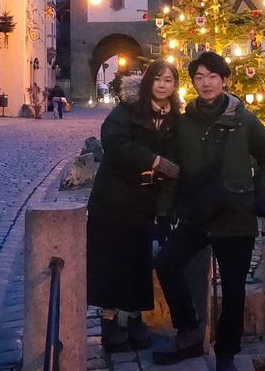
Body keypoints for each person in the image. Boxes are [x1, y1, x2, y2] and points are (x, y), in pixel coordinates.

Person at [153, 52, 265, 371]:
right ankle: (189, 332)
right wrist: (165, 212)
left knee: (234, 288)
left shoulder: (244, 118)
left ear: (224, 80)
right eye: (198, 77)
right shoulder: (185, 121)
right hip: (197, 214)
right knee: (167, 263)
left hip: (236, 215)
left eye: (212, 76)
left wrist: (264, 195)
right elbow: (175, 169)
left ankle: (226, 353)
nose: (205, 83)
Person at [87, 61, 182, 352]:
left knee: (139, 262)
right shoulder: (127, 110)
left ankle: (136, 316)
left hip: (145, 202)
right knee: (111, 260)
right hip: (114, 198)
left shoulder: (175, 118)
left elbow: (178, 158)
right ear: (148, 83)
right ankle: (109, 320)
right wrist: (154, 161)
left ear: (175, 85)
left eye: (169, 80)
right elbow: (114, 144)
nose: (162, 85)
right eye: (157, 79)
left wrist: (167, 207)